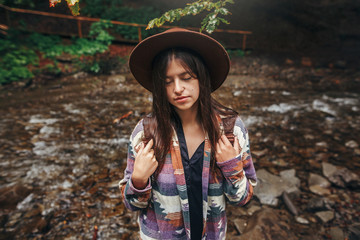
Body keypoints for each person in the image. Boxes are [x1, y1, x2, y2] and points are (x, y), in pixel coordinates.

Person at [119, 28, 257, 240]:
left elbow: (243, 198)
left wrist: (232, 166)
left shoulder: (231, 130)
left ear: (201, 78)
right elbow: (131, 204)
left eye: (186, 78)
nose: (177, 88)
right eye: (167, 81)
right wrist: (138, 179)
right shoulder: (145, 133)